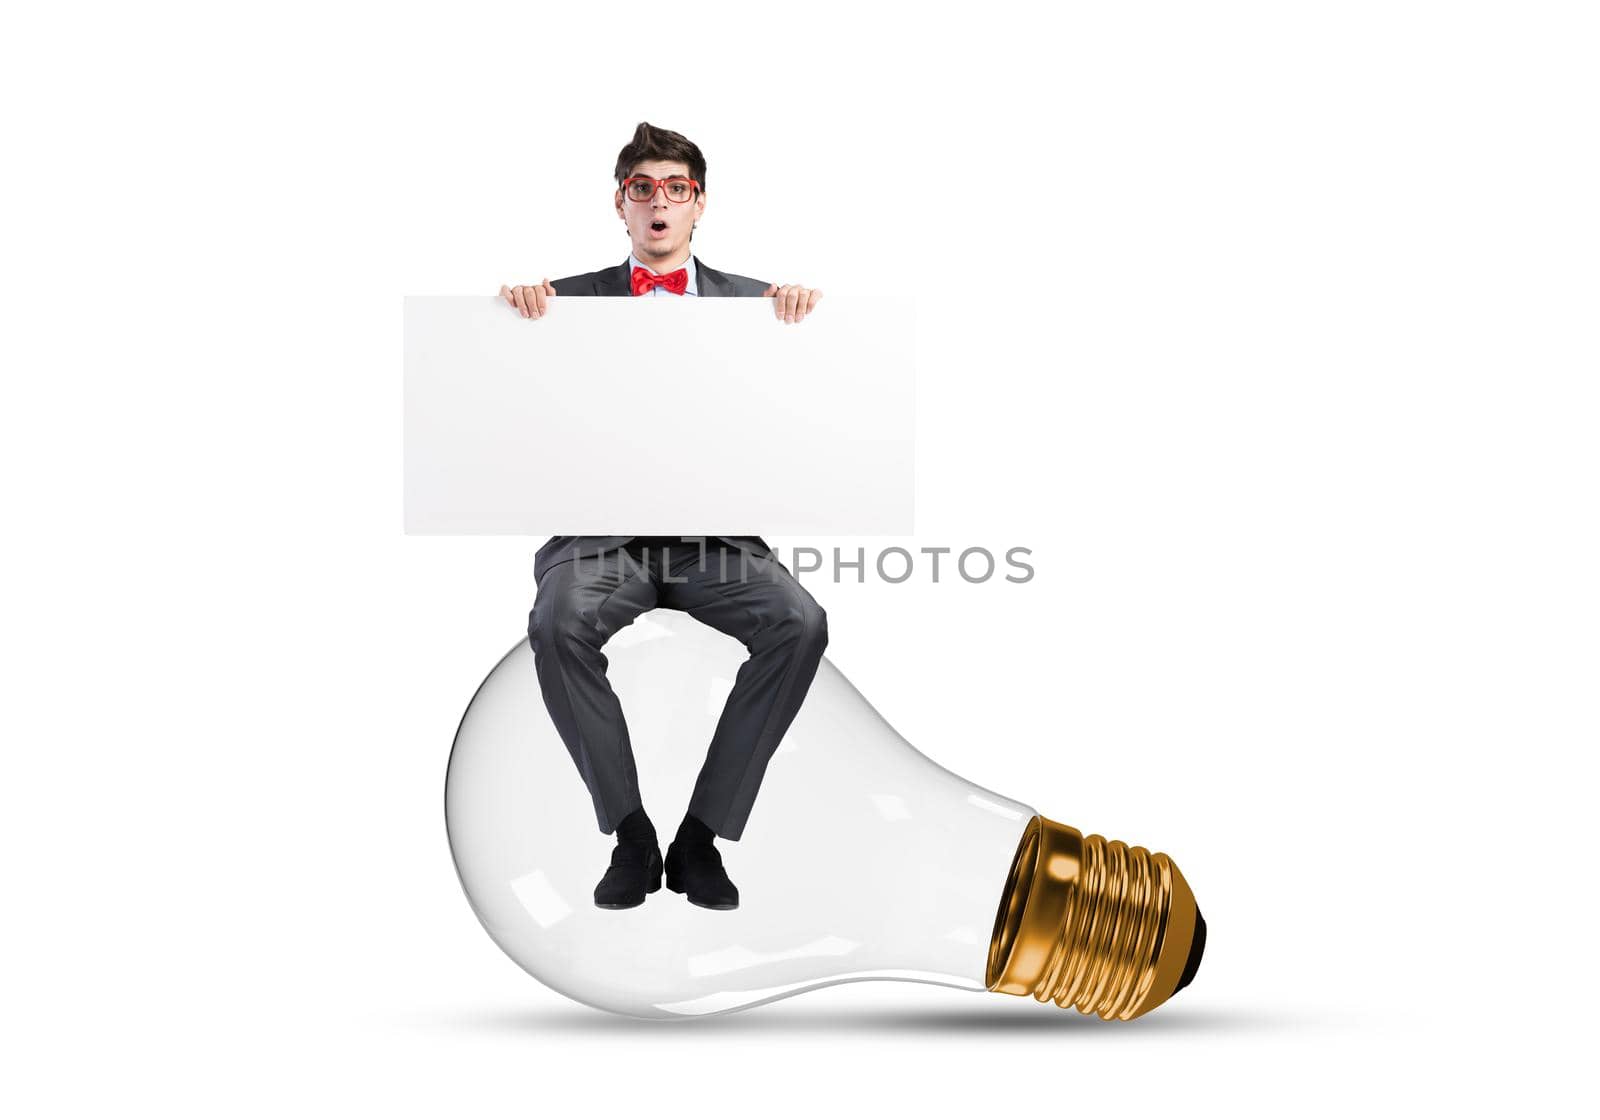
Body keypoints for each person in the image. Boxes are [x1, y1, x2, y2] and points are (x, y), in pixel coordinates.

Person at [500, 122, 829, 912]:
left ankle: (700, 839)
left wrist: (807, 324)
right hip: (601, 541)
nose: (659, 202)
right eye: (642, 188)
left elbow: (811, 417)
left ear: (698, 206)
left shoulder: (760, 307)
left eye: (674, 189)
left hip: (712, 542)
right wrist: (512, 318)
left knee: (801, 621)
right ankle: (631, 834)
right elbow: (503, 414)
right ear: (621, 205)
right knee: (557, 622)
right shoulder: (561, 305)